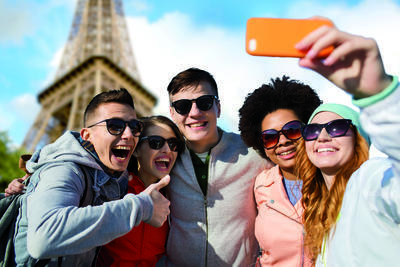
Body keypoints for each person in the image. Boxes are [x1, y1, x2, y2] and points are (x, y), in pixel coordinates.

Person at [12, 89, 170, 266]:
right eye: (115, 126)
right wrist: (142, 207)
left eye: (134, 127)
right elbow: (43, 237)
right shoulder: (64, 168)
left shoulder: (116, 177)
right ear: (87, 135)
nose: (128, 135)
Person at [294, 24, 399, 266]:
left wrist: (380, 97)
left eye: (337, 127)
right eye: (312, 130)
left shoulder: (373, 180)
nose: (322, 137)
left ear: (359, 138)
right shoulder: (318, 210)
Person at [166, 68, 273, 266]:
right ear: (172, 114)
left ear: (218, 107)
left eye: (204, 102)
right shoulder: (164, 158)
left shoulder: (254, 152)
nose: (195, 113)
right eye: (183, 106)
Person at [238, 76, 321, 267]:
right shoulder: (260, 185)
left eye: (292, 130)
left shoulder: (333, 179)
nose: (282, 141)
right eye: (270, 137)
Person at [96, 115, 184, 267]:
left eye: (173, 144)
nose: (167, 150)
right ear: (136, 150)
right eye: (156, 142)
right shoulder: (110, 188)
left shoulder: (173, 201)